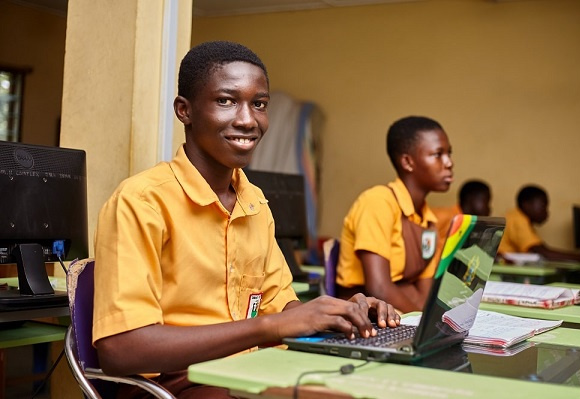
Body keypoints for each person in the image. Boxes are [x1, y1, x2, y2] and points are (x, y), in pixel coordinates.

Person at [92, 41, 400, 398]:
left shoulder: (253, 201)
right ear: (184, 110)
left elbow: (283, 306)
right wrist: (267, 327)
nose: (248, 119)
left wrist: (338, 313)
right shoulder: (142, 201)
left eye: (259, 104)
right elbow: (121, 350)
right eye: (226, 101)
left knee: (376, 388)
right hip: (170, 385)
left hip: (248, 369)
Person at [335, 116, 454, 313]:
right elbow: (379, 288)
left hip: (404, 313)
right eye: (437, 154)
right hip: (365, 313)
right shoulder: (378, 202)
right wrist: (420, 324)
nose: (449, 162)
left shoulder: (428, 219)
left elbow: (426, 292)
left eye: (449, 153)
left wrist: (428, 323)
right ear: (408, 162)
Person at [498, 185, 580, 263]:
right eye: (543, 206)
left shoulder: (517, 217)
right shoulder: (517, 220)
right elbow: (544, 253)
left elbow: (541, 249)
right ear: (527, 204)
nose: (547, 212)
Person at [433, 179, 491, 247]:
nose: (489, 208)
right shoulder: (444, 216)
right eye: (486, 202)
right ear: (471, 199)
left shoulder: (469, 223)